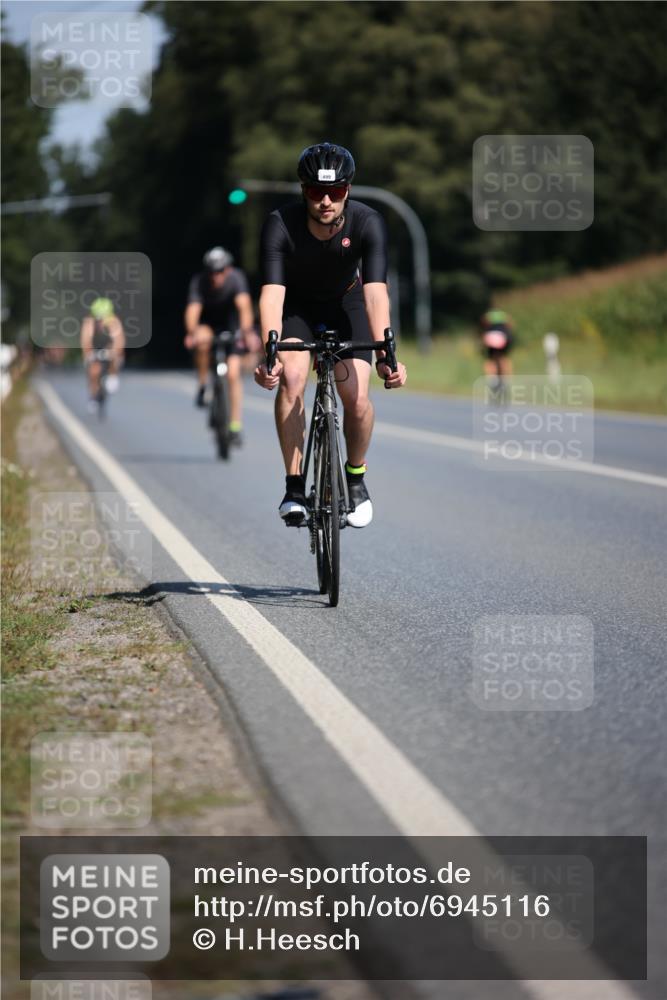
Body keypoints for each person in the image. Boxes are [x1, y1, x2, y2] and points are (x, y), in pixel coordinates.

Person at [254, 141, 407, 528]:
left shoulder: (368, 222)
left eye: (335, 191)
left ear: (348, 191)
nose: (326, 200)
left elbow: (375, 293)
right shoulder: (280, 224)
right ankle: (294, 486)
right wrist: (269, 352)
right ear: (303, 191)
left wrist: (388, 353)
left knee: (355, 397)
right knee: (291, 378)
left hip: (347, 304)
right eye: (315, 192)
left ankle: (355, 480)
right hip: (297, 308)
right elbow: (272, 295)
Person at [184, 246, 259, 444]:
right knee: (201, 341)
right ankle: (202, 385)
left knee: (233, 374)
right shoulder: (199, 282)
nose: (216, 276)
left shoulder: (236, 278)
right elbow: (193, 310)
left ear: (227, 269)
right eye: (212, 272)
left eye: (220, 271)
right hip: (208, 325)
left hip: (231, 326)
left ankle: (235, 425)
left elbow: (244, 307)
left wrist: (247, 332)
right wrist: (192, 333)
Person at [80, 297, 125, 410]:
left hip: (109, 349)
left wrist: (114, 352)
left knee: (116, 358)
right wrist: (89, 354)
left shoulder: (114, 322)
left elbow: (119, 341)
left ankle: (113, 376)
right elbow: (85, 341)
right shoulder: (89, 322)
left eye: (104, 318)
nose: (101, 322)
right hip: (95, 349)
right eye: (98, 319)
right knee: (93, 370)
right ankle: (93, 396)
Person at [479, 308, 515, 384]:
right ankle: (506, 379)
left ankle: (492, 379)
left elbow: (483, 324)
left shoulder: (488, 315)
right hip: (502, 337)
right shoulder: (504, 315)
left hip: (491, 337)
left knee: (490, 359)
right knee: (504, 357)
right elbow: (511, 325)